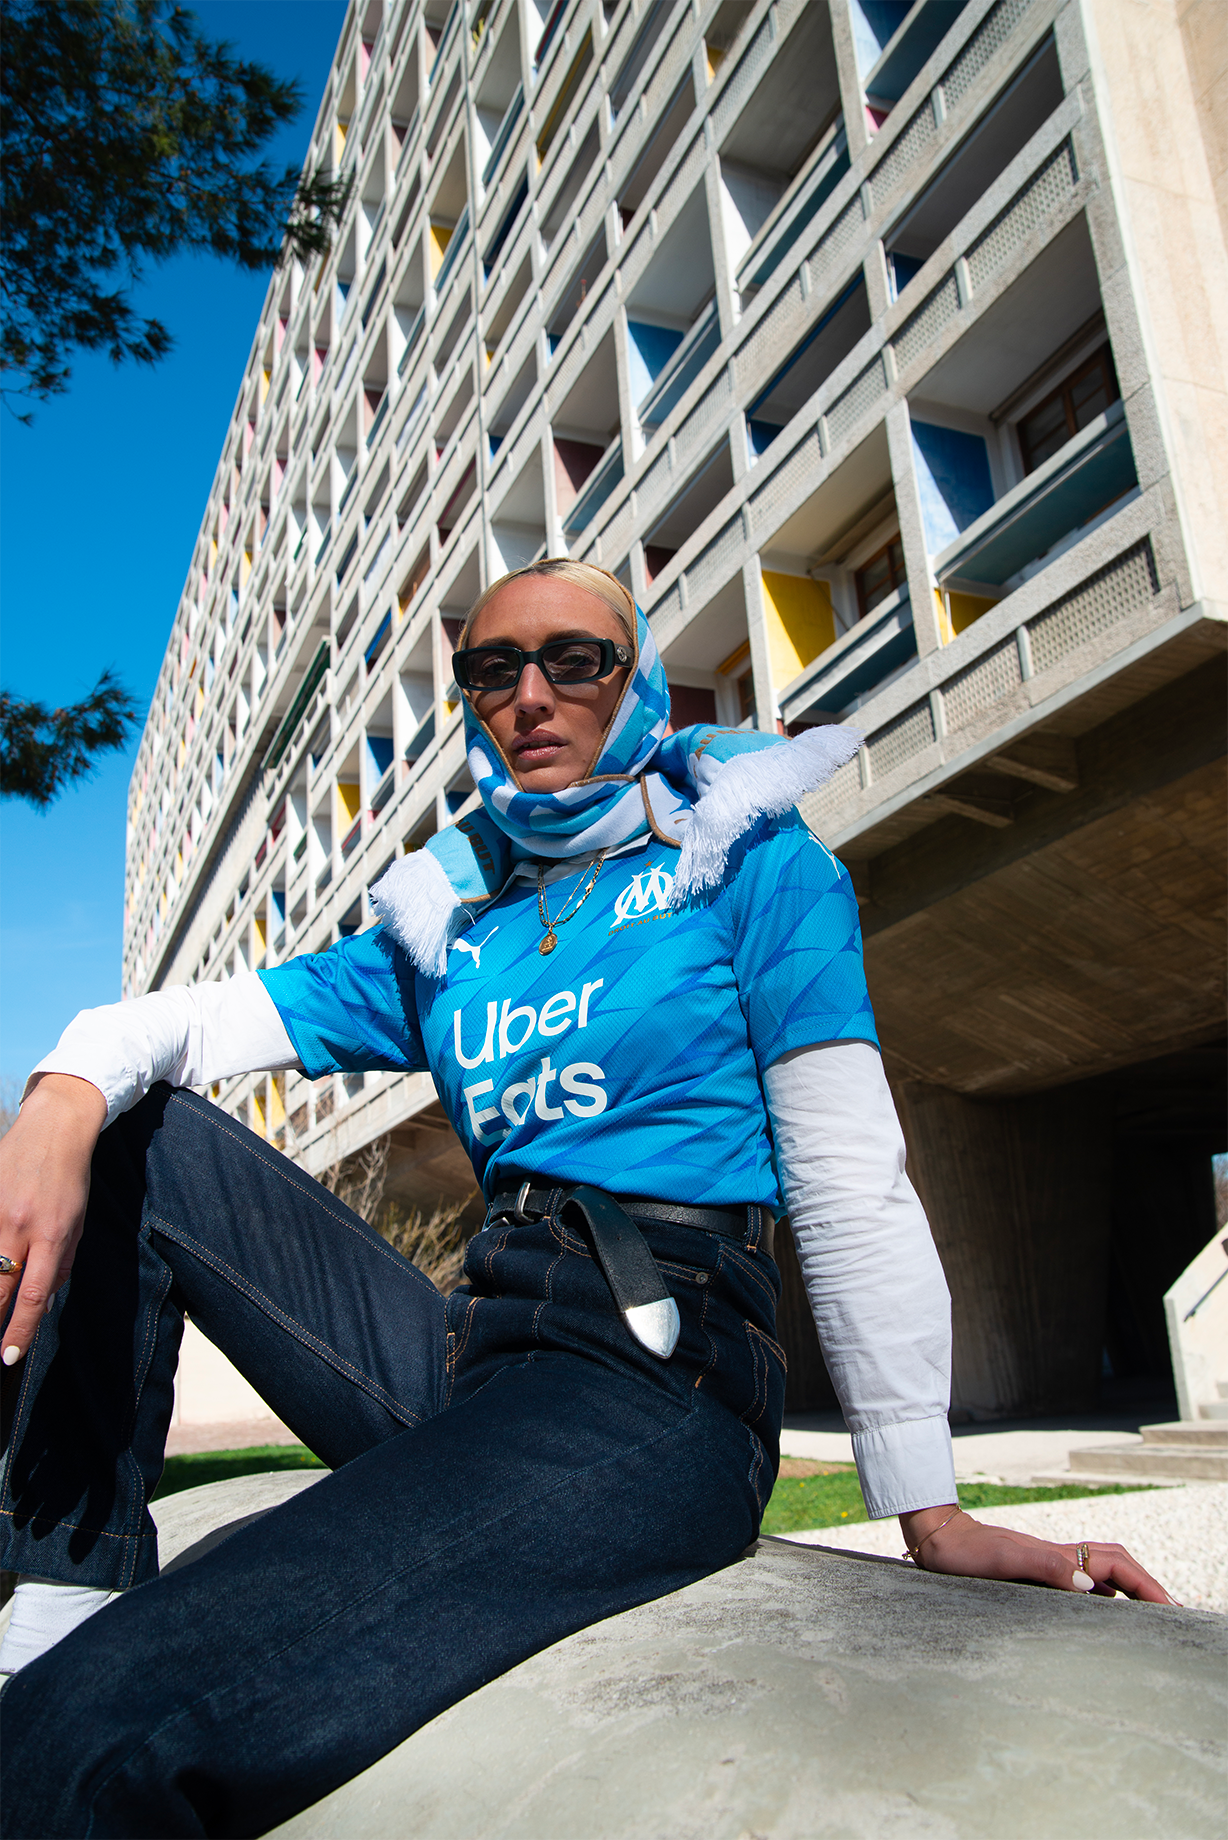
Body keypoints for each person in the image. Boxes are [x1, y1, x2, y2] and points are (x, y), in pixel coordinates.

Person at [0, 560, 1168, 1835]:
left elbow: (848, 1177)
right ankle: (62, 1591)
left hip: (655, 1372)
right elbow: (185, 1023)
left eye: (575, 659)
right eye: (493, 668)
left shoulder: (745, 856)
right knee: (135, 1125)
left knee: (104, 1720)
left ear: (638, 677)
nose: (531, 694)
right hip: (470, 1351)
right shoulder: (453, 919)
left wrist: (927, 1507)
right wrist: (58, 1096)